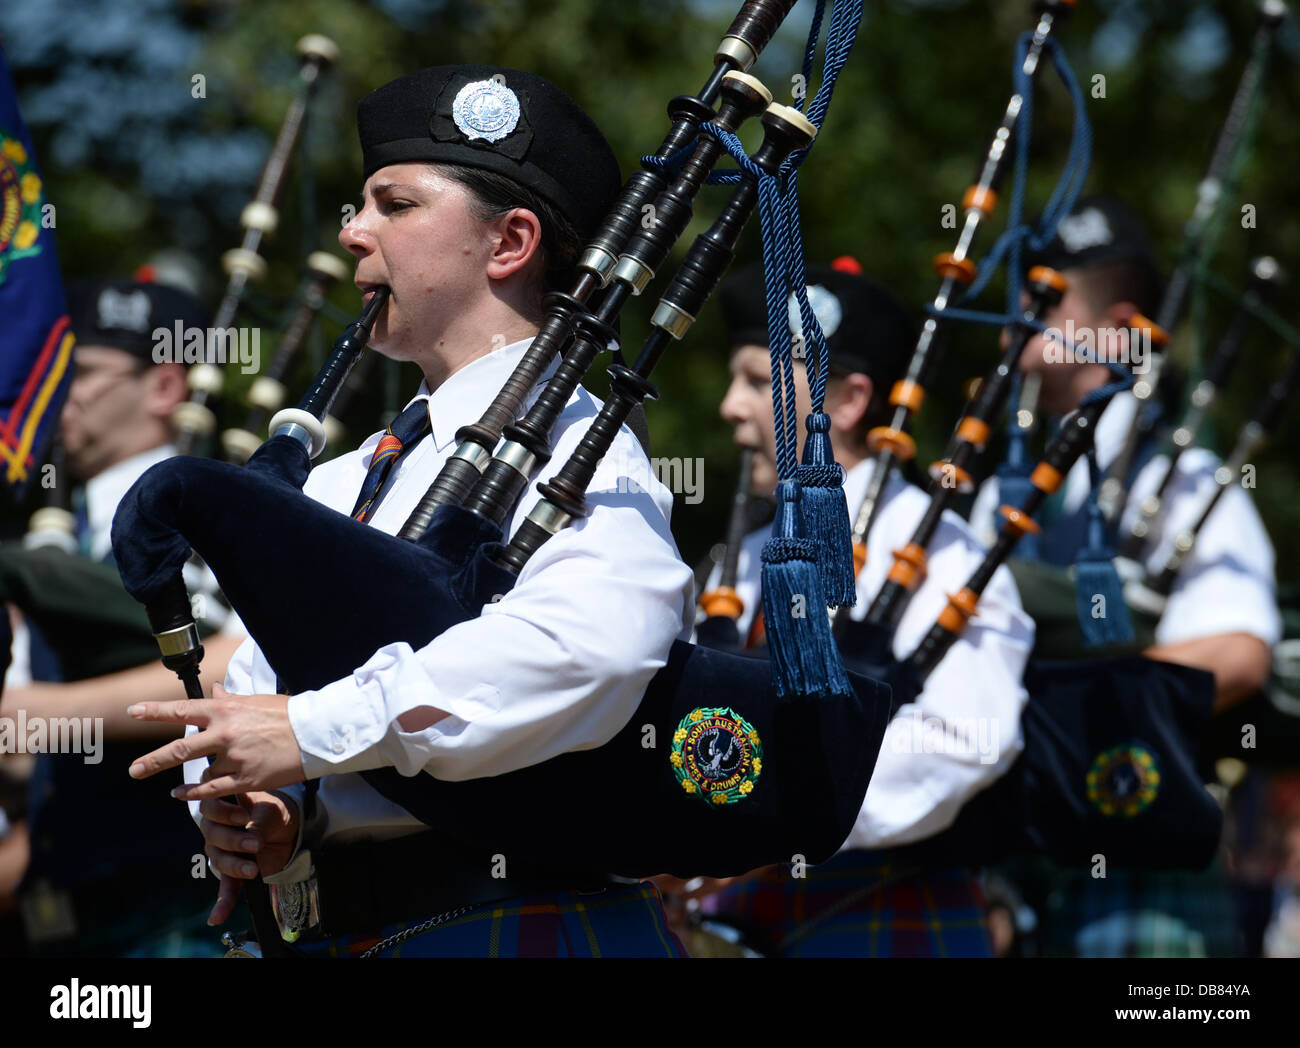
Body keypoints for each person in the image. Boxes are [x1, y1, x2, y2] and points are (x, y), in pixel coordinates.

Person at [125, 65, 695, 957]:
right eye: (359, 206)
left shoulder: (583, 446)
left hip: (515, 925)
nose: (353, 232)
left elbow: (589, 650)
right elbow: (264, 681)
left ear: (509, 242)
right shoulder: (350, 474)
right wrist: (279, 814)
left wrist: (314, 734)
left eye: (395, 204)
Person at [677, 259, 1035, 957]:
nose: (729, 406)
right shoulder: (740, 559)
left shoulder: (947, 554)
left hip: (885, 910)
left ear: (848, 403)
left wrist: (772, 810)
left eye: (758, 381)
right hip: (741, 910)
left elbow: (969, 737)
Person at [971, 194, 1282, 957]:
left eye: (1044, 303)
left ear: (1114, 329)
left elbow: (1239, 652)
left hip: (1139, 836)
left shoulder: (1179, 478)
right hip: (1024, 841)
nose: (1015, 324)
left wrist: (1078, 704)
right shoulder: (998, 491)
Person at [0, 279, 247, 956]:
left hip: (181, 915)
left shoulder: (197, 508)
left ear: (165, 388)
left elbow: (231, 665)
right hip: (67, 921)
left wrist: (39, 713)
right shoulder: (68, 537)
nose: (55, 396)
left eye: (77, 373)